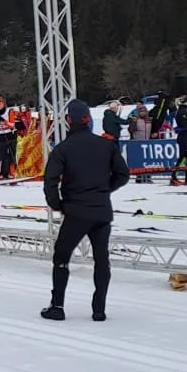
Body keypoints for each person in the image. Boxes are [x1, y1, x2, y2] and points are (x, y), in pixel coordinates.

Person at [40, 99, 130, 322]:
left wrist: (56, 203)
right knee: (102, 260)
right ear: (88, 119)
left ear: (69, 121)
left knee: (62, 257)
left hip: (76, 212)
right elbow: (123, 174)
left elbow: (50, 180)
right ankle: (99, 309)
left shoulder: (62, 149)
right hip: (101, 211)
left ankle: (57, 306)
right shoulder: (105, 145)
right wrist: (105, 190)